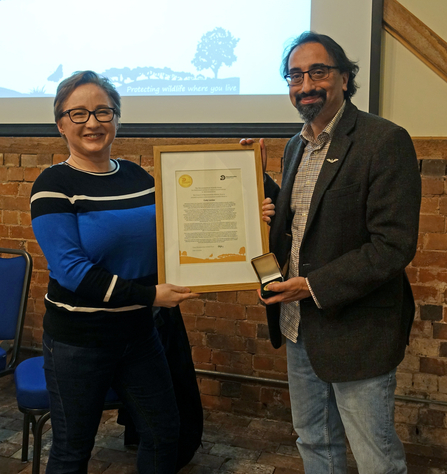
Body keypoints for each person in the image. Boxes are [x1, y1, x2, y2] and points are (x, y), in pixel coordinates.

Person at [243, 32, 421, 473]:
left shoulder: (384, 141)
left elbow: (393, 245)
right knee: (315, 443)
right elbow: (303, 220)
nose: (306, 85)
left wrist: (312, 286)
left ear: (344, 77)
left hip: (356, 329)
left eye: (318, 72)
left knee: (375, 456)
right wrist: (250, 180)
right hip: (298, 326)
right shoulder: (295, 145)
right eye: (295, 75)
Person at [30, 70, 199, 474]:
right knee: (72, 450)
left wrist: (249, 216)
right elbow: (73, 272)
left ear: (117, 120)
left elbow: (178, 232)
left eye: (104, 112)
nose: (93, 122)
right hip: (79, 343)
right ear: (61, 124)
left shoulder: (139, 178)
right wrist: (149, 296)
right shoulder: (52, 185)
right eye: (79, 113)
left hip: (141, 336)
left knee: (163, 434)